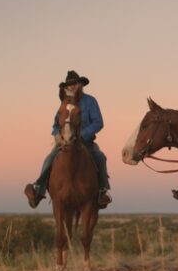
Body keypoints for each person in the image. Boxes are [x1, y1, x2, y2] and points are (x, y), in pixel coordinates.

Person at [24, 70, 112, 209]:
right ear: (66, 88)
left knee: (100, 157)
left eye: (74, 84)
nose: (72, 87)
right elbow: (55, 124)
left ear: (80, 85)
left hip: (85, 141)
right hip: (64, 141)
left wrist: (82, 135)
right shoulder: (64, 103)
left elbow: (98, 122)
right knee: (49, 159)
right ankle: (38, 190)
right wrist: (57, 135)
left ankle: (102, 192)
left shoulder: (90, 101)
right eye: (69, 85)